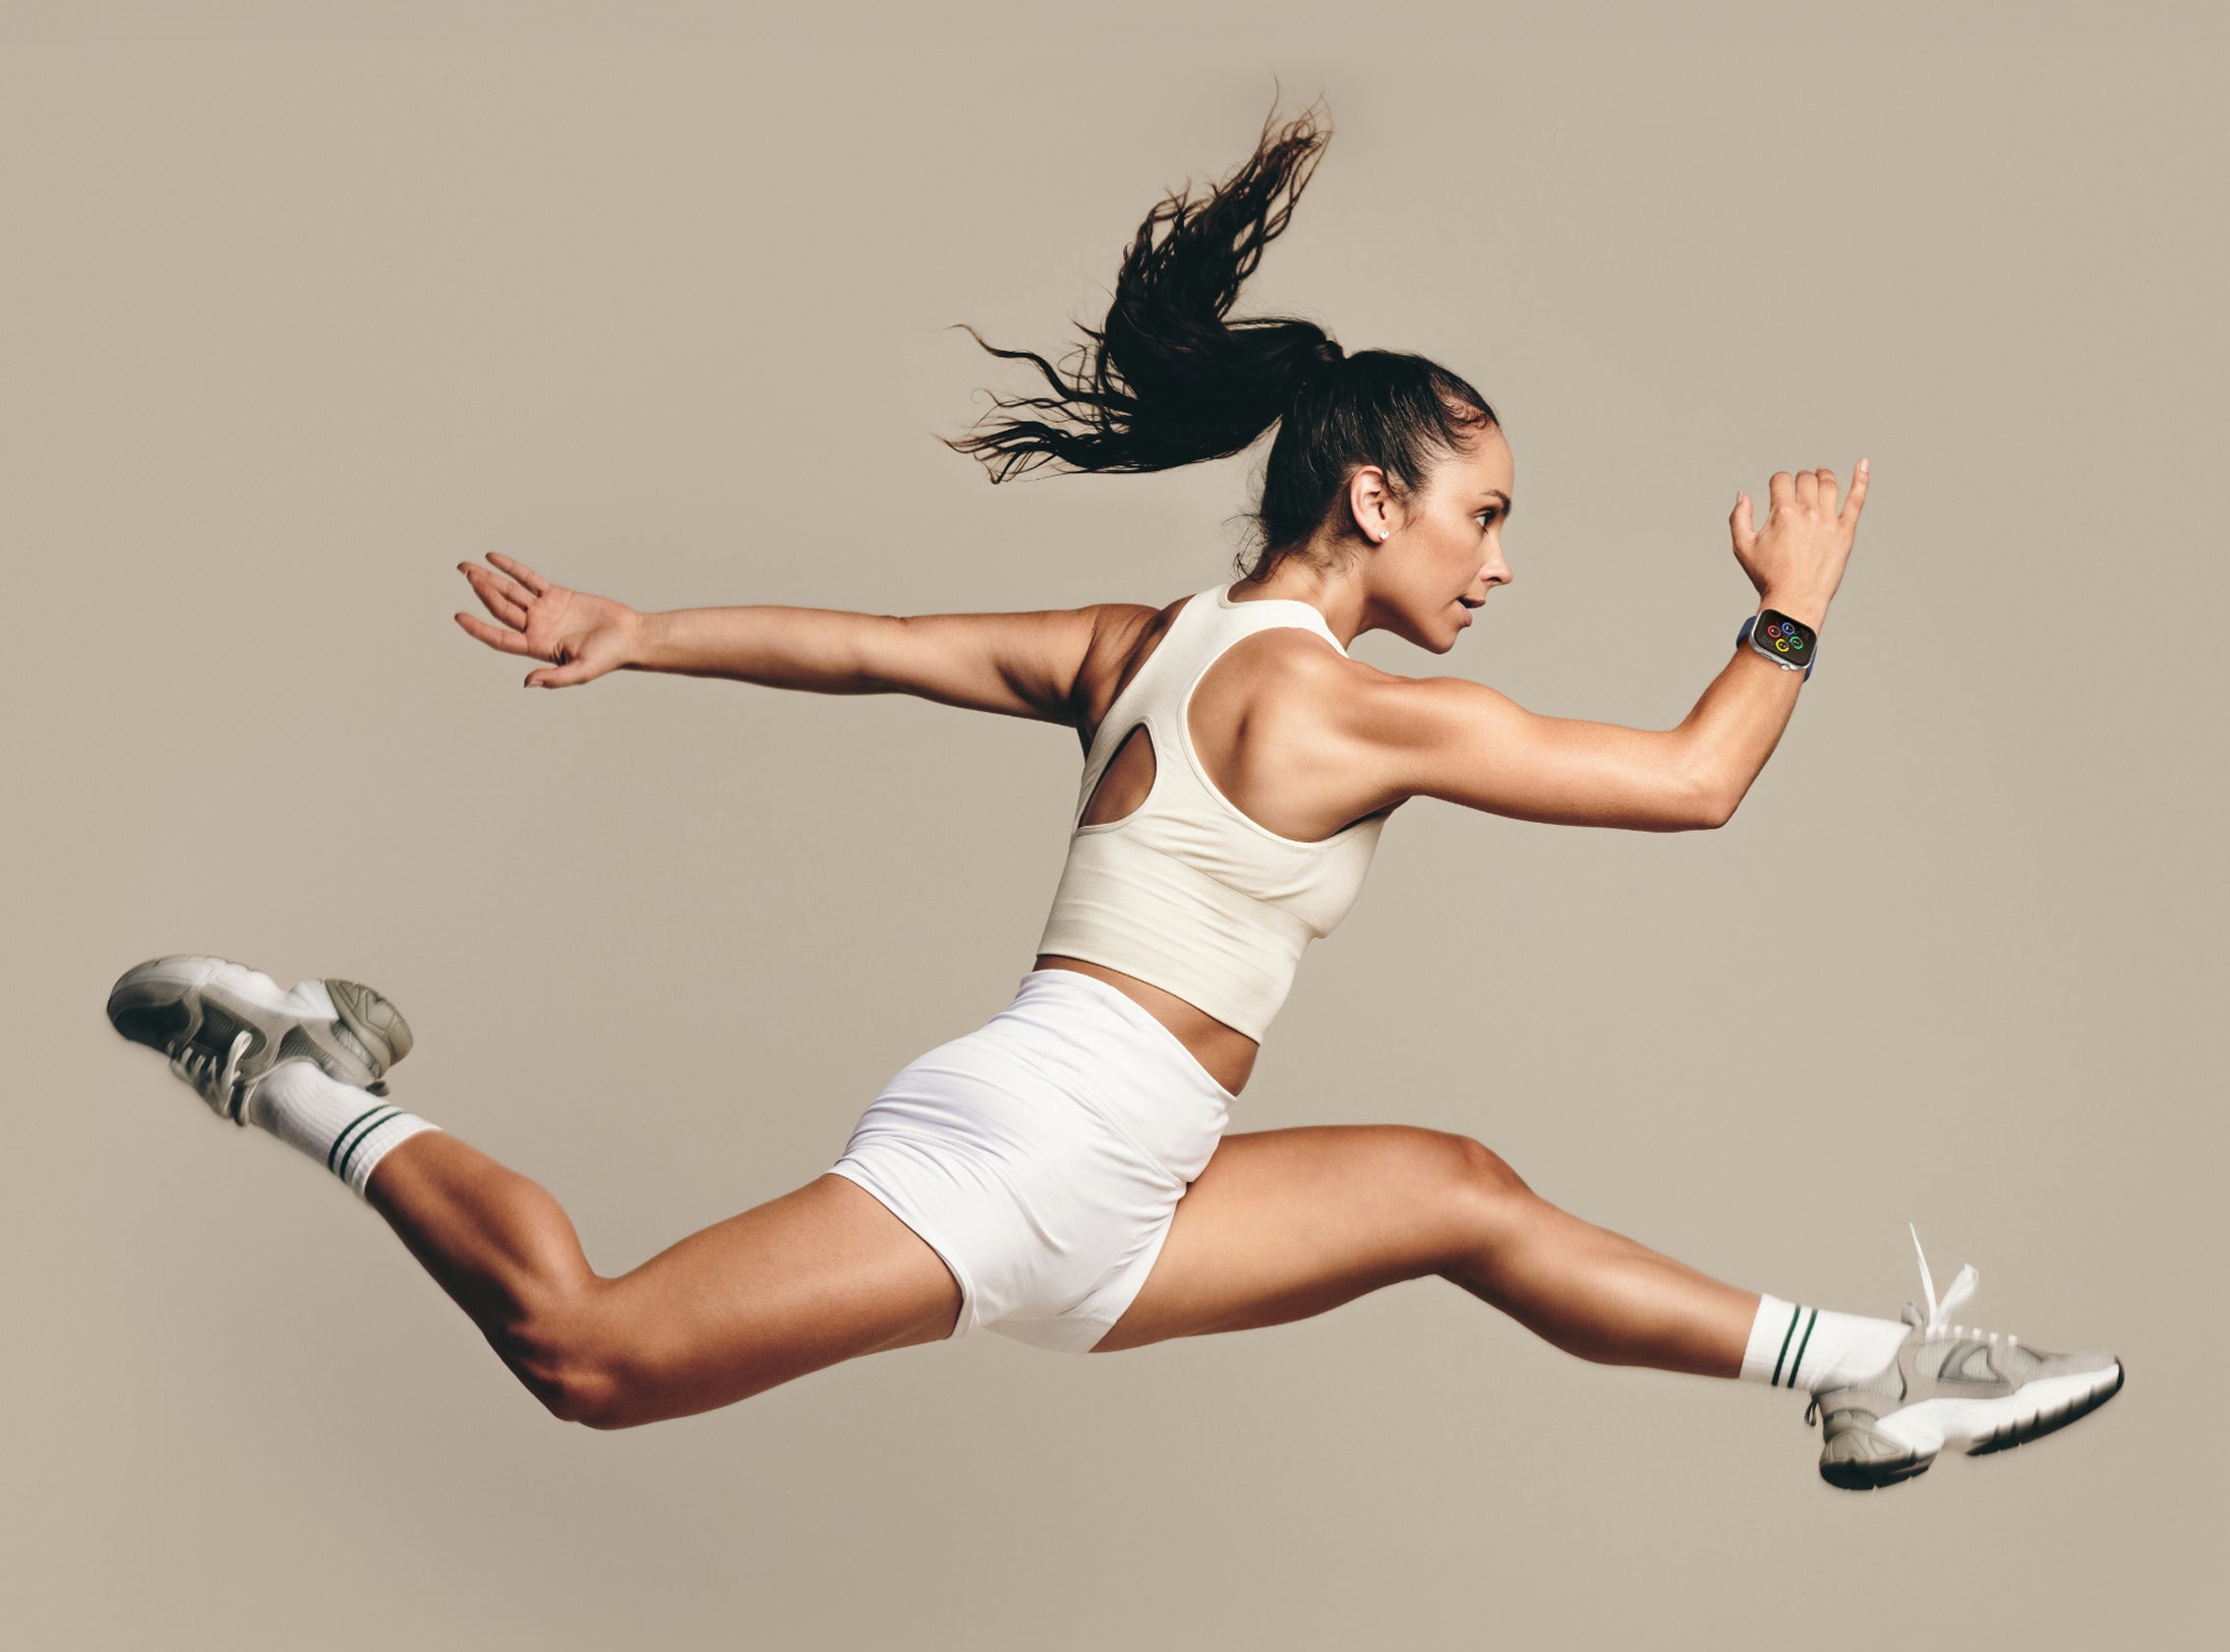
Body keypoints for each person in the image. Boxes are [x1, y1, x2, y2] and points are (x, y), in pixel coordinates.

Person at [106, 104, 2119, 1490]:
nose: (1498, 565)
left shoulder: (1138, 641)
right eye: (1483, 517)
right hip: (1043, 1146)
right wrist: (1789, 616)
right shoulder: (1337, 712)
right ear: (1375, 496)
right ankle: (307, 1075)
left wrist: (654, 627)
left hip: (1136, 1187)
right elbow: (1693, 789)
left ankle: (1878, 1378)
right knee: (595, 1356)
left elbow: (877, 644)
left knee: (1459, 1201)